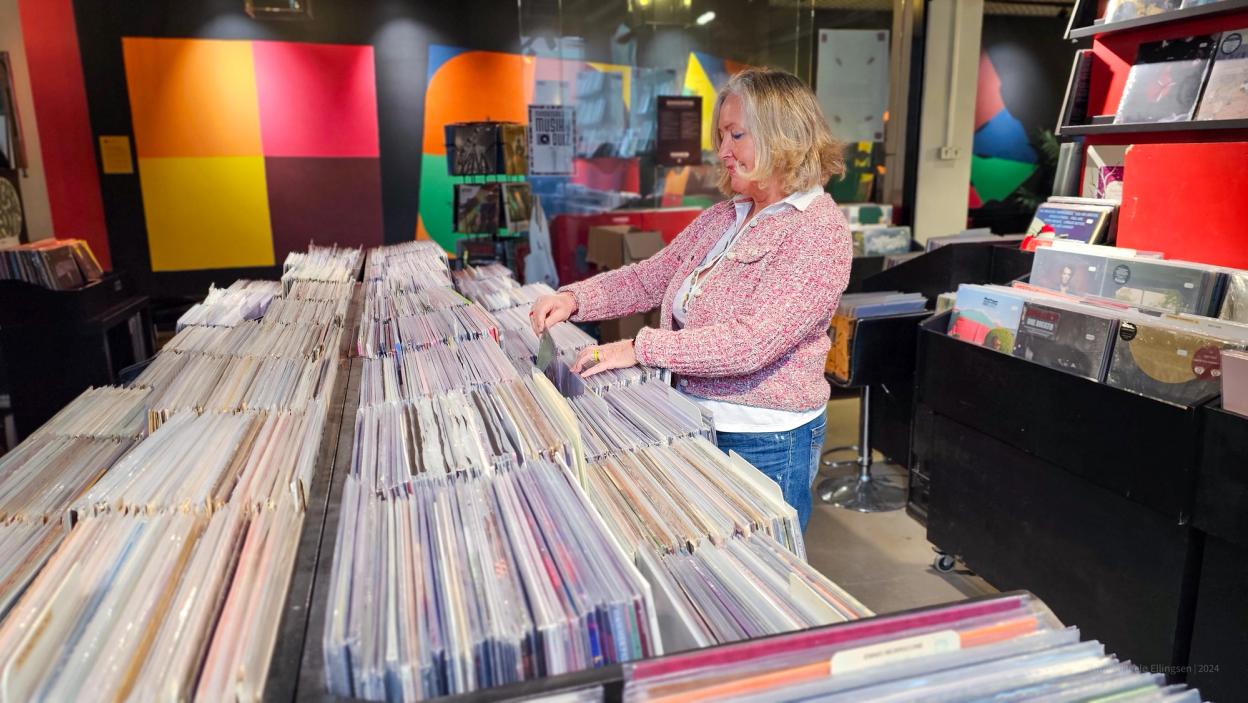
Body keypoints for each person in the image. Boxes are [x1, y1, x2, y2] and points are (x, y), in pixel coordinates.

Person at [530, 67, 852, 530]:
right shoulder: (726, 215)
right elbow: (652, 276)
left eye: (736, 135)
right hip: (694, 416)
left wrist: (637, 348)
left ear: (784, 135)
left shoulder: (816, 230)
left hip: (763, 438)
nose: (722, 152)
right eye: (722, 136)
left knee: (757, 580)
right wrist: (575, 299)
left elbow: (751, 343)